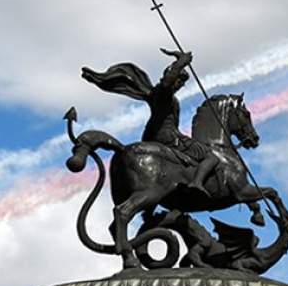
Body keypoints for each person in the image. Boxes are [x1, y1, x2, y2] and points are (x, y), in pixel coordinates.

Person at [82, 48, 218, 194]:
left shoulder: (163, 95)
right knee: (211, 156)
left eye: (181, 83)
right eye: (179, 82)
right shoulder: (162, 93)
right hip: (168, 138)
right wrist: (181, 63)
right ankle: (197, 182)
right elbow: (167, 83)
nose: (180, 86)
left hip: (156, 136)